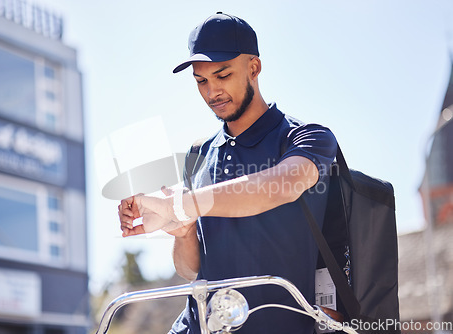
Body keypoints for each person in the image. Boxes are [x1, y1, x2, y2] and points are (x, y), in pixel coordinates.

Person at [119, 12, 337, 334]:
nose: (212, 92)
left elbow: (282, 185)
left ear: (254, 68)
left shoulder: (307, 137)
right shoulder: (199, 154)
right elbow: (190, 270)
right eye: (202, 81)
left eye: (222, 76)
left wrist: (180, 206)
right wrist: (183, 230)